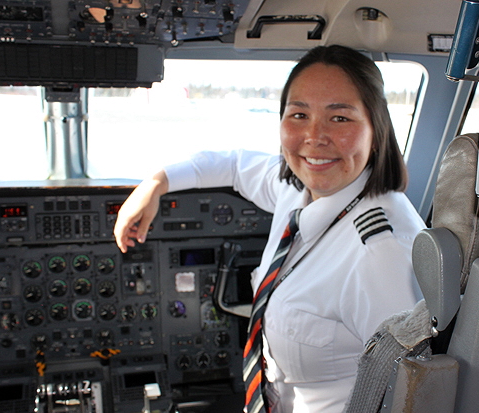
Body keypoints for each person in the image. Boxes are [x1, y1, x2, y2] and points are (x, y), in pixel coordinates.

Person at [114, 45, 425, 413]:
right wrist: (156, 183)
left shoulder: (382, 252)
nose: (314, 136)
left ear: (377, 128)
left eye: (339, 118)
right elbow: (233, 165)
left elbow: (411, 395)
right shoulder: (298, 188)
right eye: (298, 114)